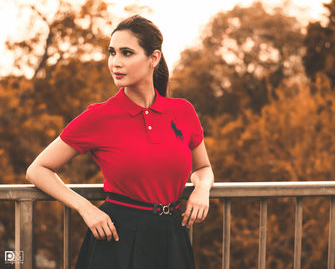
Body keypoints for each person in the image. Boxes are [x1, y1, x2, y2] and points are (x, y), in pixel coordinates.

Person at [26, 14, 214, 269]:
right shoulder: (99, 116)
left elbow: (202, 167)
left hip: (172, 237)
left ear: (154, 58)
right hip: (117, 240)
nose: (115, 62)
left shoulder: (182, 111)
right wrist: (86, 208)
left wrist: (202, 189)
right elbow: (38, 170)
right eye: (112, 52)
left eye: (126, 53)